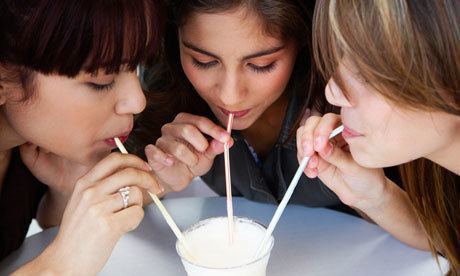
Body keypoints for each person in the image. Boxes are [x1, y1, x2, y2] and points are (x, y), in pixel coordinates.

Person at [128, 0, 364, 210]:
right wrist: (163, 181)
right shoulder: (162, 89)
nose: (230, 97)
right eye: (203, 62)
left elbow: (397, 206)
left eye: (262, 65)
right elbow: (115, 196)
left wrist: (370, 197)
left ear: (303, 38)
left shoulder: (354, 95)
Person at [0, 0, 163, 274]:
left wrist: (66, 193)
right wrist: (59, 266)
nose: (137, 102)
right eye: (102, 81)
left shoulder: (36, 142)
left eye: (135, 67)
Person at [297, 0, 459, 274]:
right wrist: (375, 197)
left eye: (367, 72)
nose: (332, 94)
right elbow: (450, 241)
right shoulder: (440, 177)